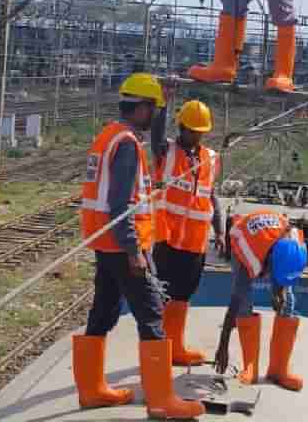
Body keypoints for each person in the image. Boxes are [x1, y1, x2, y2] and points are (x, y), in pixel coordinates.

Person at [74, 73, 204, 420]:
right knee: (152, 317)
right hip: (123, 246)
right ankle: (163, 401)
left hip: (105, 242)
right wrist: (134, 250)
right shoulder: (127, 144)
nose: (153, 116)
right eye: (153, 108)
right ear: (142, 108)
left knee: (102, 312)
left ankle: (91, 391)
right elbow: (121, 204)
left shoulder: (108, 136)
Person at [151, 99, 224, 366]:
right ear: (181, 127)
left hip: (195, 243)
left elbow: (211, 197)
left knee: (183, 295)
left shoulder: (211, 158)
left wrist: (221, 231)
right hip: (167, 239)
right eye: (191, 130)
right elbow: (156, 133)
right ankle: (158, 349)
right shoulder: (166, 151)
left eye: (200, 131)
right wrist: (164, 101)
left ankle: (175, 348)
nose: (195, 136)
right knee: (163, 294)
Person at [212, 209, 308, 392]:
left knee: (288, 301)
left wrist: (278, 291)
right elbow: (235, 303)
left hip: (272, 245)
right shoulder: (248, 255)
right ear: (269, 263)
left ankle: (279, 370)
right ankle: (251, 368)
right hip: (244, 236)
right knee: (244, 302)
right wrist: (222, 346)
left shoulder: (295, 247)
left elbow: (284, 274)